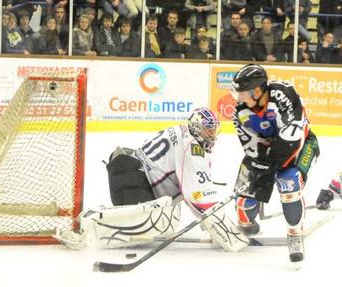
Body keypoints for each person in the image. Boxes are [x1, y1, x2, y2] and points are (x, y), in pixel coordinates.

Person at [56, 108, 248, 252]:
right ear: (197, 129)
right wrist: (228, 235)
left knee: (170, 213)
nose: (211, 135)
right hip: (131, 178)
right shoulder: (192, 148)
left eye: (213, 130)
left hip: (127, 170)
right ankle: (89, 229)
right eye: (207, 130)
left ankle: (99, 223)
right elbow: (198, 196)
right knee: (158, 222)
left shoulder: (183, 131)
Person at [231, 64, 320, 263]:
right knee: (244, 204)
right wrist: (260, 169)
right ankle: (248, 223)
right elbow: (251, 148)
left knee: (289, 186)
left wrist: (273, 165)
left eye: (243, 93)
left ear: (257, 90)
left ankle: (295, 234)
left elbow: (293, 134)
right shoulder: (240, 113)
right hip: (267, 153)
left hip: (301, 147)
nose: (239, 98)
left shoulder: (282, 93)